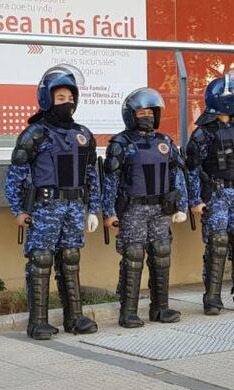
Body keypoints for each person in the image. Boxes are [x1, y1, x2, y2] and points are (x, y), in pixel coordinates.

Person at [4, 64, 99, 340]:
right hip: (45, 208)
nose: (66, 103)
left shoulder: (83, 135)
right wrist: (18, 209)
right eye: (60, 98)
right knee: (41, 261)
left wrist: (93, 209)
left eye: (70, 98)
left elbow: (92, 175)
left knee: (70, 259)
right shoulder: (35, 134)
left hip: (73, 207)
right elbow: (16, 175)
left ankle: (75, 317)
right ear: (47, 99)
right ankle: (38, 322)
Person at [101, 88, 189, 328]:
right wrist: (108, 212)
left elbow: (177, 173)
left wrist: (182, 205)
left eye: (151, 111)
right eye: (142, 112)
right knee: (134, 257)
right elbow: (110, 180)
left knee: (161, 254)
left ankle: (160, 308)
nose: (147, 116)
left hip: (161, 209)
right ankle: (128, 312)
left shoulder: (165, 142)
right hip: (133, 210)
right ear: (131, 115)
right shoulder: (121, 143)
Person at [186, 70, 234, 315]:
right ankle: (212, 298)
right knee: (217, 244)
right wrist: (195, 200)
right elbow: (192, 169)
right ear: (223, 100)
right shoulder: (203, 133)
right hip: (217, 195)